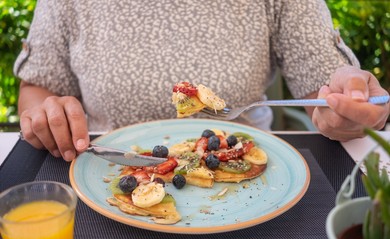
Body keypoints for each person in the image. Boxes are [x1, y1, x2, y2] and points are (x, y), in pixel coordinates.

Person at [15, 0, 389, 162]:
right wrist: (46, 115)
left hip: (247, 181)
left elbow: (324, 86)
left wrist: (346, 103)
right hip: (107, 168)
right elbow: (38, 86)